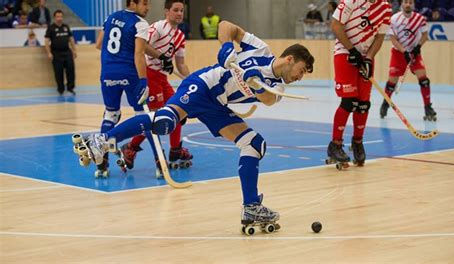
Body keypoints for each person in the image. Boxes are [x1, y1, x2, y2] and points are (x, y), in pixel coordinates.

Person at [76, 20, 314, 228]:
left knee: (254, 144)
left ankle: (251, 207)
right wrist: (227, 47)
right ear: (290, 59)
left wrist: (256, 85)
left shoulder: (277, 85)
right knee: (166, 121)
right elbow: (226, 26)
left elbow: (270, 100)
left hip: (217, 105)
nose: (299, 78)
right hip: (203, 85)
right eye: (301, 71)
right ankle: (101, 140)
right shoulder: (261, 49)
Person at [120, 0, 193, 174]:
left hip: (162, 78)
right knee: (153, 118)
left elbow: (180, 64)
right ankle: (130, 147)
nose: (179, 13)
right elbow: (142, 46)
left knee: (178, 111)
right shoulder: (158, 28)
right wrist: (161, 58)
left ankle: (175, 149)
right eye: (175, 10)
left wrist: (193, 82)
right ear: (166, 12)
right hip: (149, 74)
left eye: (182, 10)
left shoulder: (181, 36)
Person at [327, 0, 391, 167]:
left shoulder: (385, 7)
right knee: (349, 102)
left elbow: (379, 37)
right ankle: (335, 144)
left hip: (365, 58)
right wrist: (352, 50)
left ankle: (357, 142)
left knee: (363, 104)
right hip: (345, 53)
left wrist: (369, 58)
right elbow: (335, 25)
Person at [93, 0, 151, 177]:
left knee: (111, 114)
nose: (147, 7)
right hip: (129, 73)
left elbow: (98, 44)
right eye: (144, 3)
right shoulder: (140, 23)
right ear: (132, 3)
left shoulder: (111, 17)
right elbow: (139, 53)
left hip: (108, 72)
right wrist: (143, 80)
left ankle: (102, 162)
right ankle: (159, 161)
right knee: (144, 116)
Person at [380, 0, 436, 121]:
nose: (408, 4)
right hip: (398, 53)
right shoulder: (394, 19)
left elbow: (425, 36)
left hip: (414, 53)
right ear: (402, 4)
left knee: (424, 80)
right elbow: (393, 39)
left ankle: (428, 107)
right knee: (392, 82)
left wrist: (418, 47)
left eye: (410, 2)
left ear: (413, 4)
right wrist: (404, 51)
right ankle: (385, 103)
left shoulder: (420, 19)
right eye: (406, 2)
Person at [45, 9, 77, 96]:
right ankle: (61, 89)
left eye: (61, 16)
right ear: (55, 17)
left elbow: (71, 39)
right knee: (58, 72)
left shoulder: (66, 27)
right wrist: (49, 53)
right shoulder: (51, 28)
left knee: (70, 71)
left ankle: (70, 88)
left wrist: (74, 50)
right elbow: (46, 41)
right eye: (58, 16)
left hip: (67, 52)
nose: (59, 18)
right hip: (56, 53)